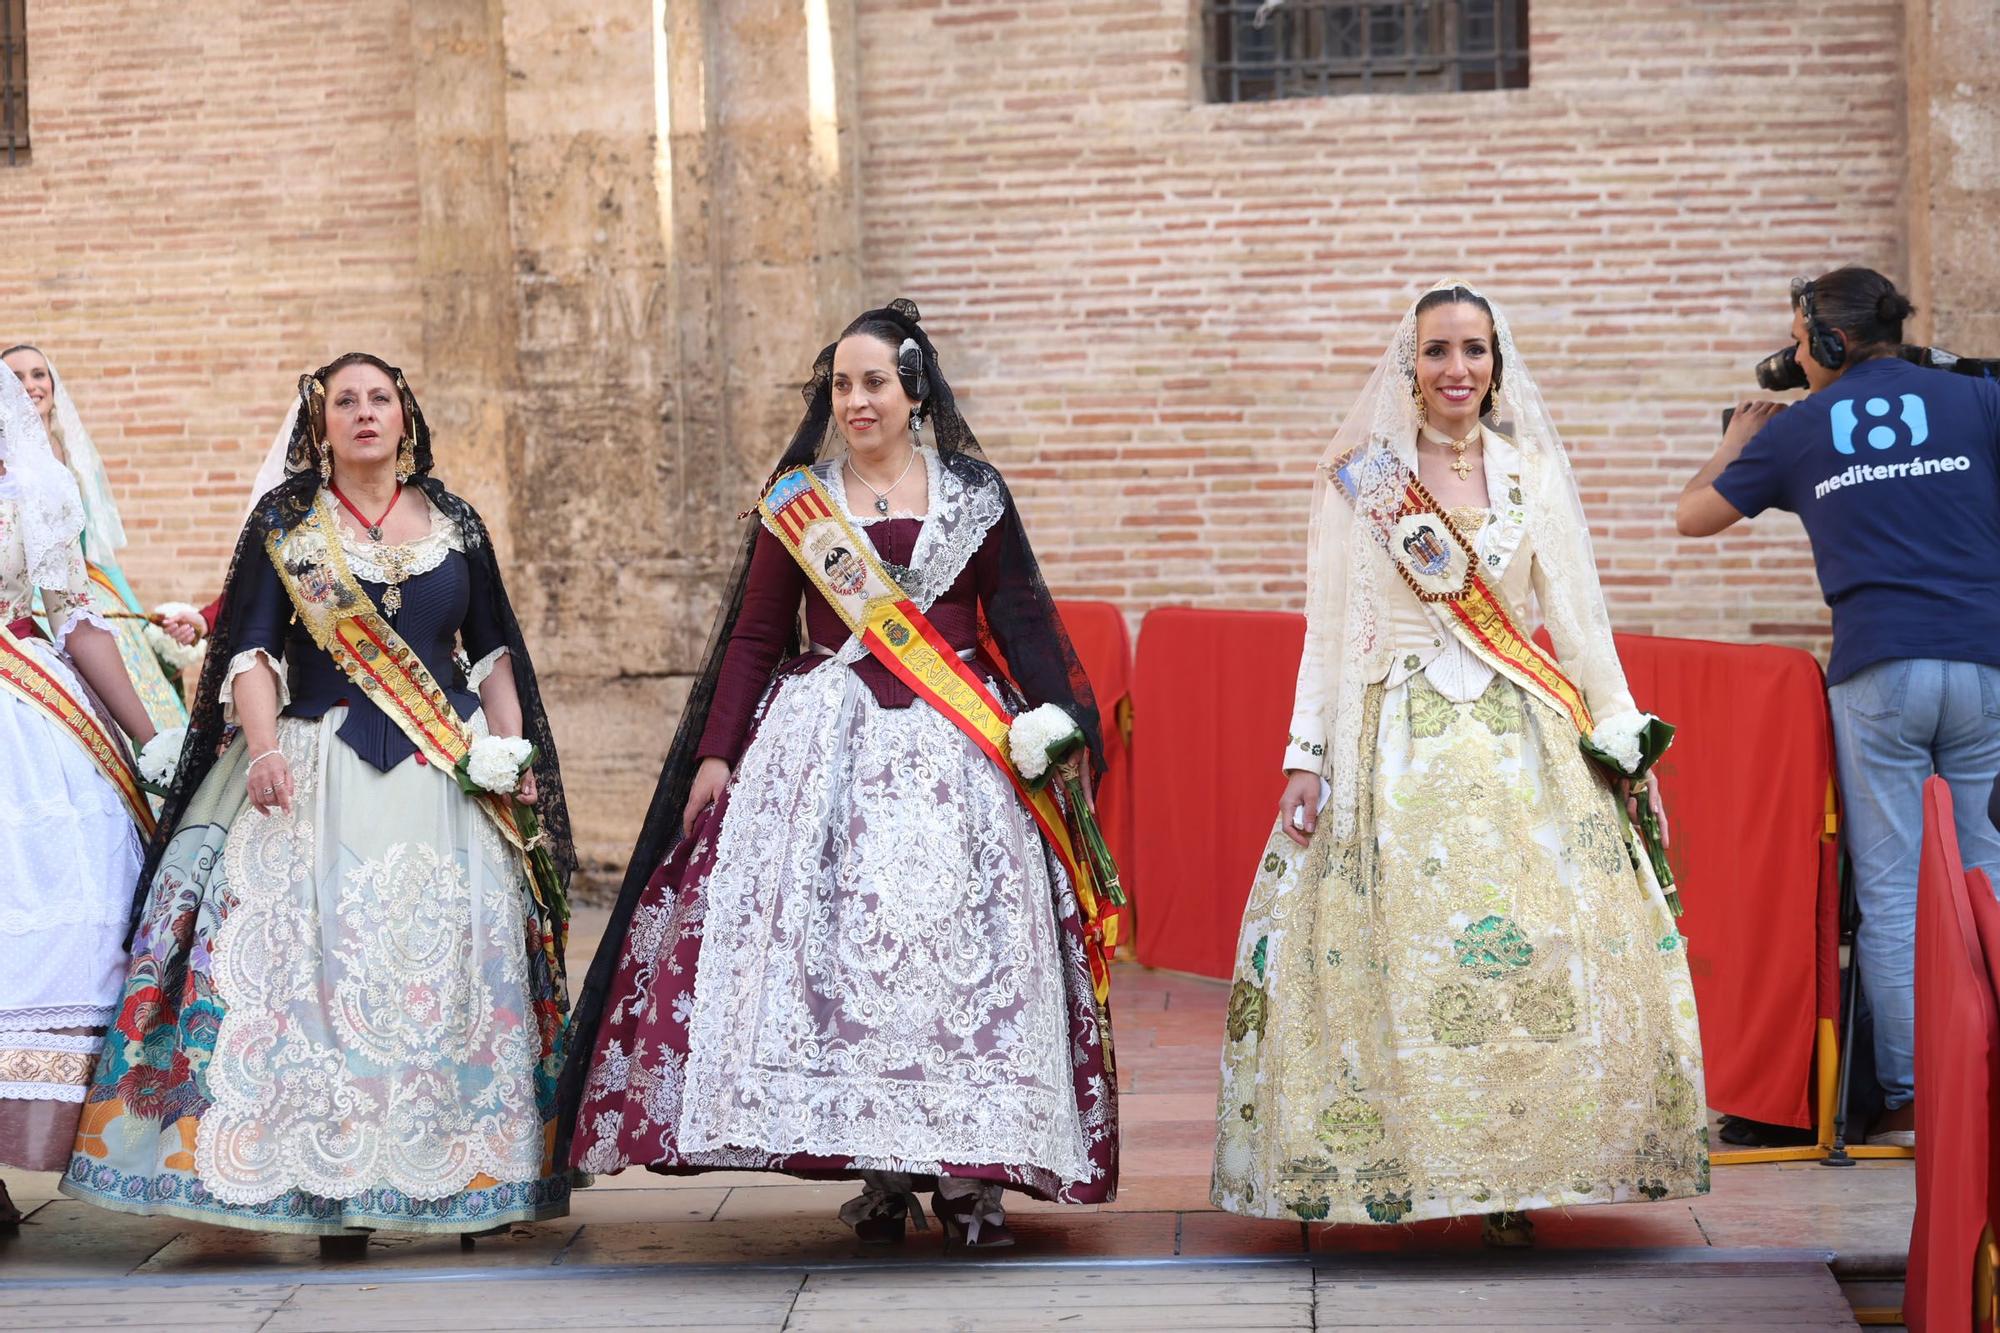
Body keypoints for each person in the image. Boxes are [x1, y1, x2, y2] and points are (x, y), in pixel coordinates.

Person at [559, 299, 1118, 1248]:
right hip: (822, 748)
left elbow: (1022, 618)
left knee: (956, 952)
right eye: (842, 385)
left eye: (875, 383)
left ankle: (972, 1177)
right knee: (836, 963)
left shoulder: (975, 495)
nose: (856, 400)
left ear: (914, 391)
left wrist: (1060, 725)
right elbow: (752, 639)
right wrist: (716, 755)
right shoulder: (798, 502)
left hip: (959, 751)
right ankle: (886, 1169)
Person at [1211, 280, 1709, 1244]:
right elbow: (1326, 629)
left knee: (1536, 952)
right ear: (1410, 364)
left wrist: (1617, 726)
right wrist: (1305, 755)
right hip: (1391, 739)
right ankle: (1408, 1164)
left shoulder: (1531, 475)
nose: (1457, 370)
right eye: (1438, 351)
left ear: (1497, 363)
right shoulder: (1362, 476)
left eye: (1474, 350)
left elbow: (1577, 618)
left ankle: (1518, 1172)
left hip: (1522, 744)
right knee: (1397, 959)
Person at [60, 354, 576, 1254]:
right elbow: (252, 652)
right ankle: (332, 1182)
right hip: (315, 760)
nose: (365, 414)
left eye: (380, 399)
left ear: (405, 417)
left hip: (447, 769)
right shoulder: (288, 524)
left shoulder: (455, 524)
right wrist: (261, 751)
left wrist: (513, 752)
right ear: (321, 422)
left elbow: (492, 654)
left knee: (456, 963)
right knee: (320, 969)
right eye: (347, 402)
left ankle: (471, 1173)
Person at [1677, 266, 2000, 1148]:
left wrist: (1741, 440)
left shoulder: (1800, 430)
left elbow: (1691, 518)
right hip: (1986, 665)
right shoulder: (1974, 401)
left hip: (1878, 675)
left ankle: (1909, 1103)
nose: (1788, 355)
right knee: (1988, 881)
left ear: (1826, 342)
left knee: (1895, 898)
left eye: (1796, 336)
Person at [0, 361, 160, 1227]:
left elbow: (74, 615)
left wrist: (149, 735)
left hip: (26, 708)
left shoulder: (38, 486)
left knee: (65, 899)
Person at [1, 345, 195, 732]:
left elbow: (75, 600)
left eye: (39, 375)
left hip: (40, 616)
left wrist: (149, 740)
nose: (30, 386)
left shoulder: (48, 478)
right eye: (17, 377)